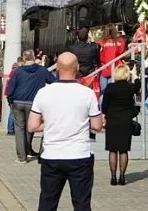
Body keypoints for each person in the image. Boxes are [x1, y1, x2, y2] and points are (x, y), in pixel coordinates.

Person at [27, 52, 103, 210]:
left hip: (51, 156)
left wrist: (51, 124)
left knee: (47, 203)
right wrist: (79, 123)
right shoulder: (87, 94)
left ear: (57, 68)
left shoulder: (43, 93)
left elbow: (32, 126)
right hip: (80, 155)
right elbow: (97, 126)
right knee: (82, 204)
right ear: (78, 68)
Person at [7, 49, 57, 163]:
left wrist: (10, 101)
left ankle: (22, 157)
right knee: (30, 128)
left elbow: (11, 88)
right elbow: (54, 81)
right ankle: (28, 150)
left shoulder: (18, 71)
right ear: (34, 58)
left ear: (24, 58)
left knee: (19, 129)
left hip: (18, 101)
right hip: (34, 103)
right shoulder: (42, 70)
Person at [101, 64, 137, 186]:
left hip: (112, 120)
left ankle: (112, 177)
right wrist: (135, 75)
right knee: (123, 150)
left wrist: (103, 117)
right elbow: (138, 86)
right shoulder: (130, 87)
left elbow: (104, 105)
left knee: (112, 150)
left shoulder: (110, 87)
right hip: (126, 120)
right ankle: (122, 176)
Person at [98, 24, 126, 97]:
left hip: (104, 70)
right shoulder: (120, 41)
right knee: (113, 94)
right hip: (115, 70)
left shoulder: (101, 42)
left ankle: (102, 108)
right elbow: (122, 52)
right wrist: (122, 36)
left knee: (103, 93)